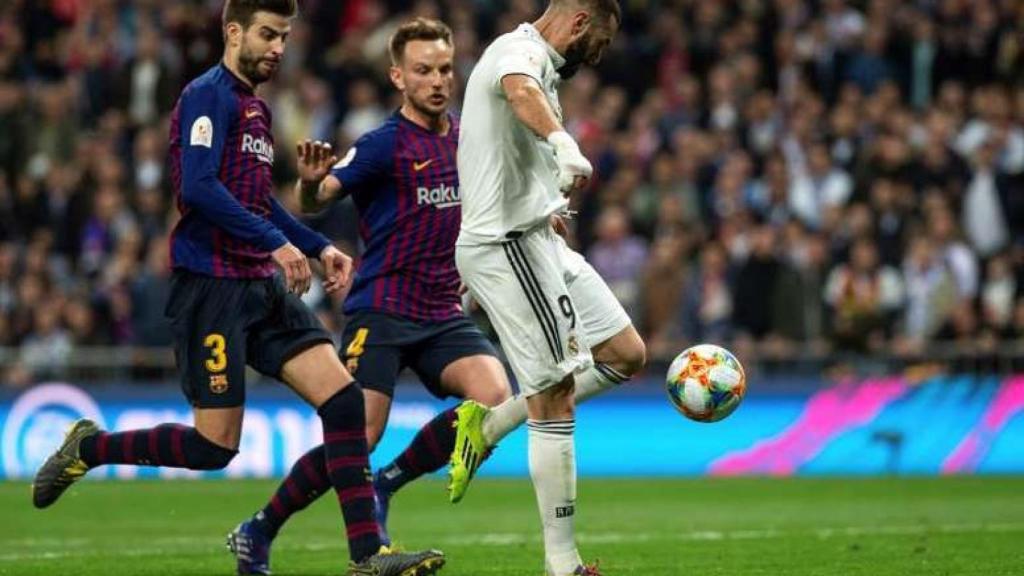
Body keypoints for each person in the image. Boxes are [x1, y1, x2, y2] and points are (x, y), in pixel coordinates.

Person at [30, 2, 444, 575]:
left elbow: (259, 201)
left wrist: (316, 244)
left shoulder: (255, 109)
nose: (278, 47)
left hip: (259, 284)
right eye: (268, 34)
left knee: (345, 401)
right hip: (211, 288)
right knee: (214, 447)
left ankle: (368, 555)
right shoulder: (208, 95)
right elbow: (198, 188)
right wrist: (278, 244)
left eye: (285, 37)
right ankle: (90, 447)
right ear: (233, 32)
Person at [225, 18, 512, 575]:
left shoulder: (469, 138)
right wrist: (310, 182)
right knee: (359, 434)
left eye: (445, 69)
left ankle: (388, 483)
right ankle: (258, 530)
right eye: (424, 70)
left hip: (441, 311)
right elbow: (317, 198)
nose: (437, 80)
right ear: (398, 76)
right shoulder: (382, 144)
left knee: (496, 401)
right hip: (381, 307)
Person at [452, 1, 645, 575]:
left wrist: (545, 194)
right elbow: (518, 90)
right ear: (581, 23)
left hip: (540, 236)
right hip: (505, 244)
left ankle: (491, 424)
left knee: (625, 354)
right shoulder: (519, 53)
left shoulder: (543, 63)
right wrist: (564, 143)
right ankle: (562, 565)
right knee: (555, 391)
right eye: (601, 43)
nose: (599, 55)